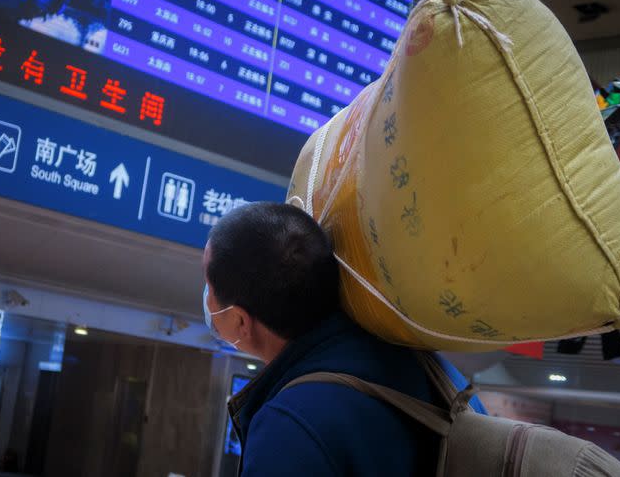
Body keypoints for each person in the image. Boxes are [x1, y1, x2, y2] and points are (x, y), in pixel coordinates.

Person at [202, 202, 483, 476]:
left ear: (240, 321)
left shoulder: (290, 427)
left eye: (209, 284)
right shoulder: (432, 370)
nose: (206, 296)